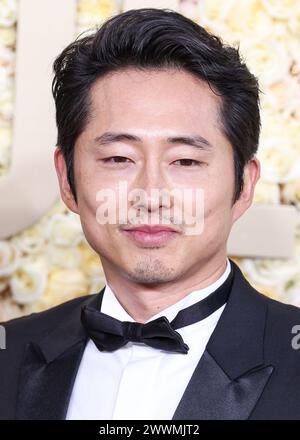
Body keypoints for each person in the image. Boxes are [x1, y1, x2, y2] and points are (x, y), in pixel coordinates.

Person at [1, 8, 300, 420]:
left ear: (243, 185)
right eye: (119, 158)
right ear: (67, 179)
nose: (151, 194)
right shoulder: (9, 353)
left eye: (186, 162)